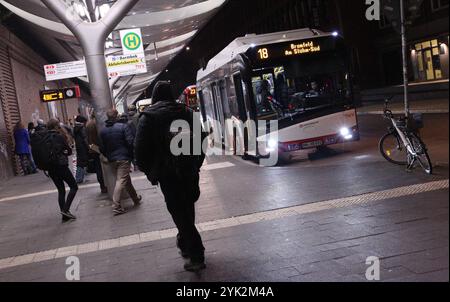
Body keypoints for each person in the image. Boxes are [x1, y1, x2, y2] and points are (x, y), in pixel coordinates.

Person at [135, 81, 207, 272]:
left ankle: (196, 254)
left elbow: (140, 150)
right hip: (189, 169)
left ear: (155, 96)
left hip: (167, 174)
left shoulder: (148, 118)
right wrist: (196, 164)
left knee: (178, 212)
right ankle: (185, 242)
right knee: (187, 208)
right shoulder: (188, 112)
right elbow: (201, 141)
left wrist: (151, 172)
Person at [100, 109, 141, 216]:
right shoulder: (123, 127)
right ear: (116, 116)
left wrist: (108, 155)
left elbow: (102, 148)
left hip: (112, 159)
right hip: (123, 158)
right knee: (121, 180)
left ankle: (135, 198)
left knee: (126, 179)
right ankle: (116, 206)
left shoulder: (103, 131)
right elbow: (130, 142)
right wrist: (130, 155)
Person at [46, 119, 78, 222]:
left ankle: (64, 216)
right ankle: (65, 210)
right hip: (61, 166)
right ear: (56, 126)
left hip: (50, 168)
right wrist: (64, 152)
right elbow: (69, 151)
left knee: (61, 190)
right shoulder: (58, 136)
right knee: (74, 186)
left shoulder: (44, 137)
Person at [86, 113, 107, 193]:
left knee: (98, 168)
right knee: (104, 167)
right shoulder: (97, 123)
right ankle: (106, 184)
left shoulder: (88, 124)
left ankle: (102, 186)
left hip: (92, 148)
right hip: (99, 148)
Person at [73, 115, 89, 184]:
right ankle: (79, 178)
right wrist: (88, 147)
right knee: (81, 163)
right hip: (83, 147)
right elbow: (84, 138)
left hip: (79, 147)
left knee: (80, 163)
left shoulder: (75, 128)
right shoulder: (81, 128)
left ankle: (79, 177)